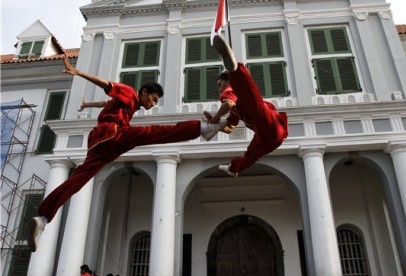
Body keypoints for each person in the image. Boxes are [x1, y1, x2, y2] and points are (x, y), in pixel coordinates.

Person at [28, 55, 226, 252]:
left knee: (77, 181)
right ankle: (202, 128)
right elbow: (107, 85)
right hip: (112, 134)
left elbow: (106, 103)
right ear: (145, 92)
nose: (153, 104)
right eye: (153, 99)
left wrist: (87, 105)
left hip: (99, 145)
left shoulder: (128, 104)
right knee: (154, 133)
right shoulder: (129, 92)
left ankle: (43, 218)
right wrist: (78, 73)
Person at [204, 35, 288, 177]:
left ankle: (234, 69)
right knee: (251, 154)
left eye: (220, 84)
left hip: (268, 124)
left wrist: (216, 117)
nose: (219, 88)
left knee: (253, 100)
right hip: (269, 137)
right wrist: (215, 126)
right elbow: (230, 127)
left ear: (227, 82)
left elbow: (228, 102)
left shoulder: (229, 91)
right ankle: (234, 168)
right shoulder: (235, 109)